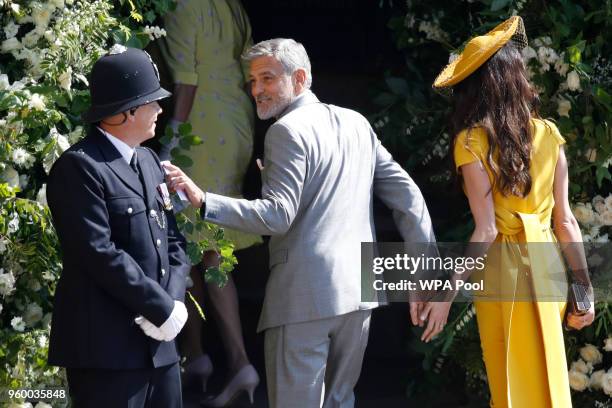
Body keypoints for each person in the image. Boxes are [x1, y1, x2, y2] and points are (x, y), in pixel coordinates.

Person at [163, 38, 436, 407]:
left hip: (304, 298)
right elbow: (409, 198)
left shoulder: (285, 131)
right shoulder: (357, 124)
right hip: (359, 293)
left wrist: (203, 199)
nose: (257, 89)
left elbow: (277, 215)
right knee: (341, 402)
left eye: (268, 78)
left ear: (301, 77)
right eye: (253, 80)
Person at [428, 16, 595, 408]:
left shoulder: (470, 142)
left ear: (474, 87)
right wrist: (583, 292)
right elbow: (566, 221)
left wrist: (446, 294)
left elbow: (486, 230)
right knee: (546, 379)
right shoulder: (550, 134)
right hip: (547, 266)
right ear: (515, 78)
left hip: (503, 270)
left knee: (511, 384)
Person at [46, 45, 191, 408]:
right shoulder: (80, 167)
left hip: (161, 349)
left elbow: (174, 241)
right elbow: (98, 253)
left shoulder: (149, 160)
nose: (160, 109)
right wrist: (161, 308)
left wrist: (172, 305)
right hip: (108, 353)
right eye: (152, 102)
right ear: (127, 112)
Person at [159, 2, 262, 404]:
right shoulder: (233, 5)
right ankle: (196, 355)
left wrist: (174, 135)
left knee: (202, 244)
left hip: (198, 125)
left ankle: (236, 361)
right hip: (234, 123)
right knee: (196, 242)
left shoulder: (183, 5)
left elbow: (186, 80)